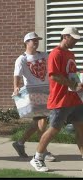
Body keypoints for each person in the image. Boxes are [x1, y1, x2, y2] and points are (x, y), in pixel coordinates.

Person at [30, 26, 83, 172]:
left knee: (81, 129)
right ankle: (37, 158)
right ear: (65, 36)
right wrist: (73, 84)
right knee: (54, 129)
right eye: (74, 39)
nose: (76, 42)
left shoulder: (71, 54)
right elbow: (54, 75)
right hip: (60, 100)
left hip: (75, 99)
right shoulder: (55, 54)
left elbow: (71, 72)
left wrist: (80, 76)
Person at [12, 32, 55, 162]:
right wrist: (16, 87)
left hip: (46, 91)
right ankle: (43, 152)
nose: (36, 42)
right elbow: (17, 75)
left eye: (37, 40)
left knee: (38, 123)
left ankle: (20, 143)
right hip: (33, 93)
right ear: (26, 42)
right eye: (33, 40)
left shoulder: (44, 55)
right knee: (42, 121)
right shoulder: (22, 59)